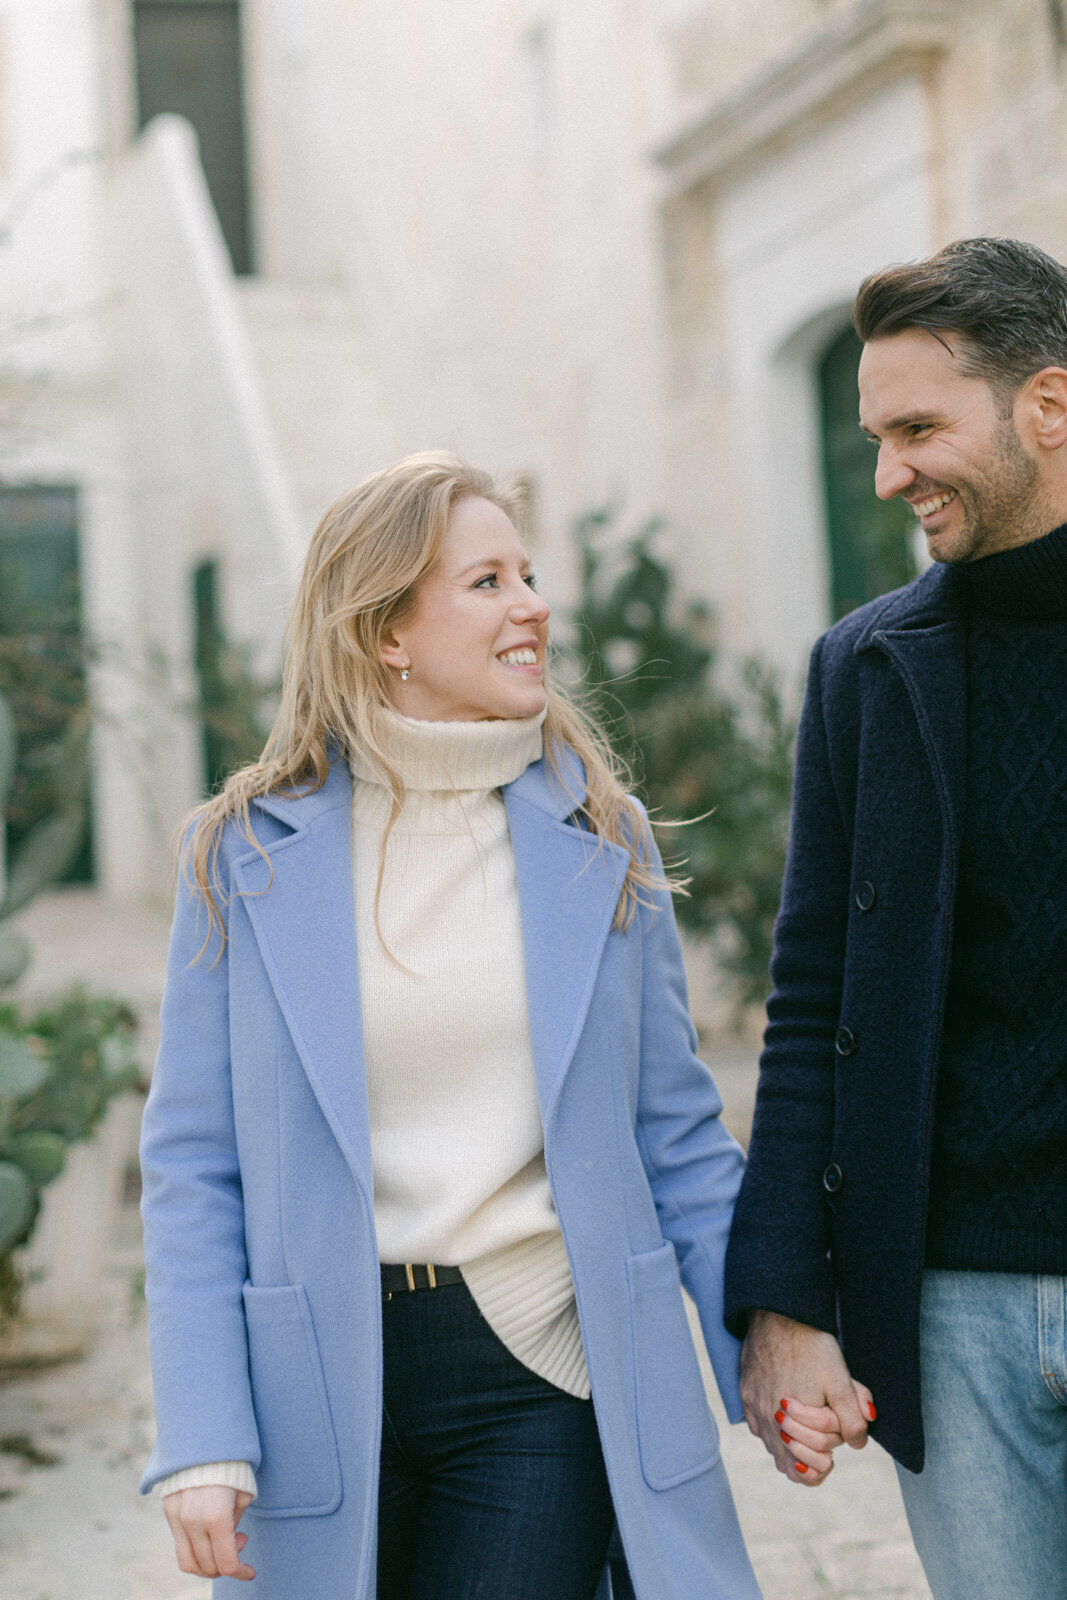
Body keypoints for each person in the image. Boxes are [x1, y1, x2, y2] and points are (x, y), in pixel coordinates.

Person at [138, 452, 762, 1600]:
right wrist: (203, 1426)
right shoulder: (238, 853)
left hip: (538, 1360)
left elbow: (674, 1132)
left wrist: (762, 1353)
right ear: (387, 632)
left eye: (527, 576)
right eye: (487, 582)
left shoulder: (599, 835)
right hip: (312, 1379)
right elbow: (191, 1162)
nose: (532, 606)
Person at [724, 236, 1067, 1600]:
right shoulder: (862, 670)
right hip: (949, 1304)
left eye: (917, 428)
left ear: (1046, 407)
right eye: (873, 435)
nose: (886, 475)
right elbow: (812, 999)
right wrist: (785, 1298)